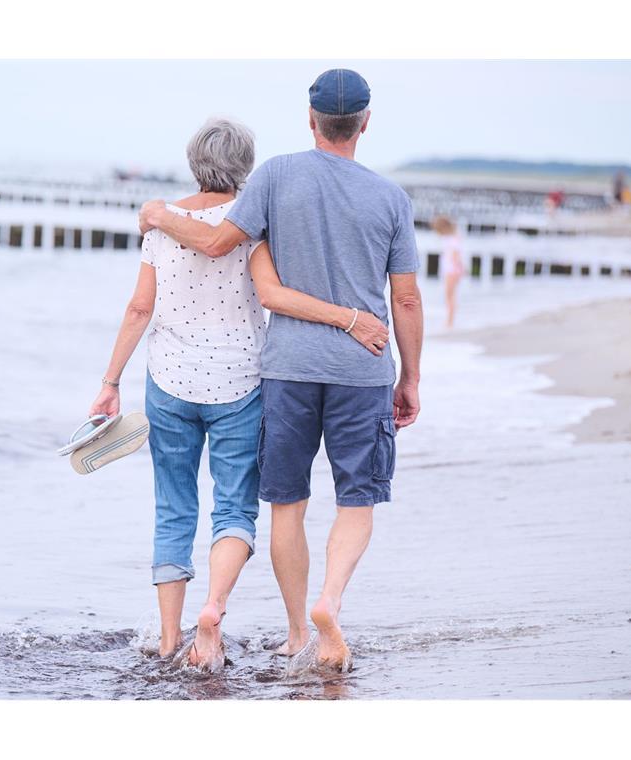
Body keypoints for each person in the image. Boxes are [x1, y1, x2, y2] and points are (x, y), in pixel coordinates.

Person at [139, 68, 424, 672]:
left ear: (310, 119)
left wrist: (160, 215)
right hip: (364, 368)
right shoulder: (391, 198)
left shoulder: (273, 176)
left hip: (288, 369)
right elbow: (405, 300)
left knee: (286, 504)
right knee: (357, 499)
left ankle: (297, 630)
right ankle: (330, 602)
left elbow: (217, 244)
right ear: (365, 123)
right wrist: (411, 378)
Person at [89, 118, 387, 672]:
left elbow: (138, 308)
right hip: (241, 384)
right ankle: (214, 608)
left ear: (192, 160)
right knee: (233, 508)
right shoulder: (254, 223)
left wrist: (110, 382)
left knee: (173, 506)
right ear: (246, 166)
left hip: (169, 381)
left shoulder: (160, 224)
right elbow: (271, 294)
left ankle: (168, 636)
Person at [432, 216, 465, 329]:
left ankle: (450, 321)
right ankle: (450, 320)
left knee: (449, 295)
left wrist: (460, 268)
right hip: (451, 269)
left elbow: (456, 255)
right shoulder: (453, 237)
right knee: (451, 295)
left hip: (451, 270)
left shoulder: (452, 238)